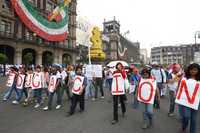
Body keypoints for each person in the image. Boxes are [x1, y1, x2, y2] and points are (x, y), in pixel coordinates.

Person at [177, 63, 200, 133]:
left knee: (194, 119)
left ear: (198, 71)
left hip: (196, 101)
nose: (193, 71)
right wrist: (178, 95)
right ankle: (184, 127)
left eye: (195, 70)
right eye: (191, 70)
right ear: (189, 70)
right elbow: (180, 87)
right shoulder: (184, 78)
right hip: (186, 101)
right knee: (186, 116)